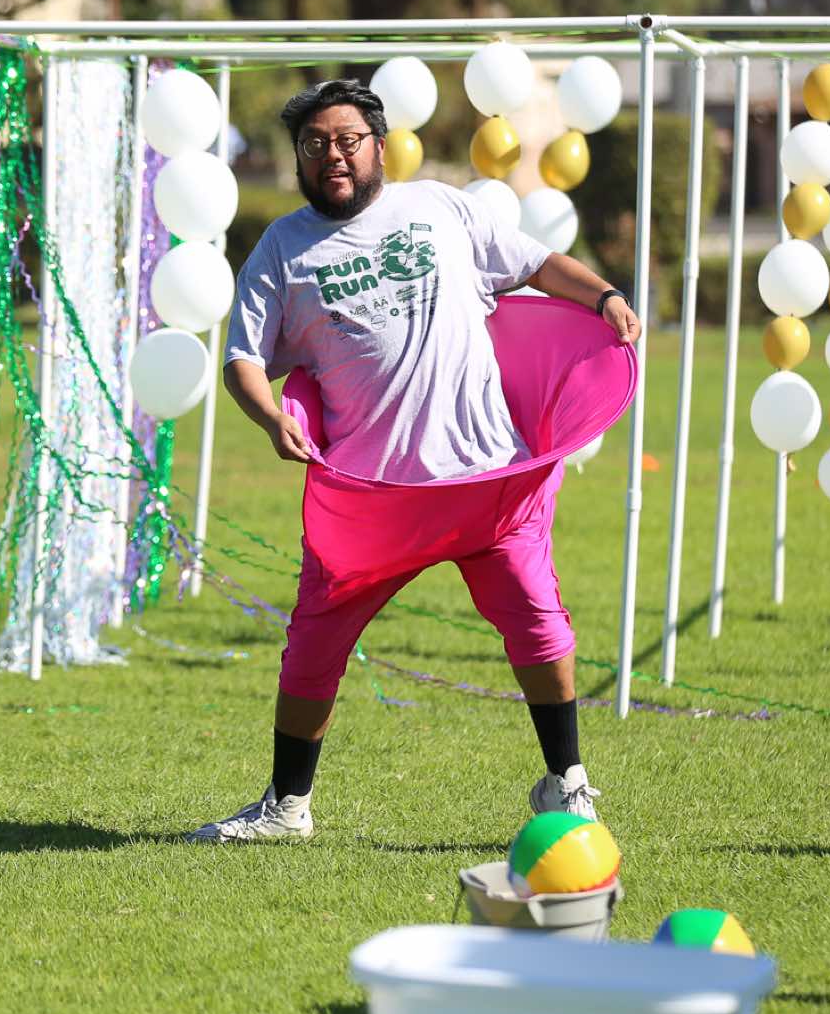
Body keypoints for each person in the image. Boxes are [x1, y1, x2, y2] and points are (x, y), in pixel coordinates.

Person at [189, 78, 640, 844]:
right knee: (312, 648)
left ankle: (566, 784)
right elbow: (243, 360)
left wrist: (604, 297)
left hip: (488, 480)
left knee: (540, 626)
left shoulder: (439, 207)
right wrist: (270, 417)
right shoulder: (282, 250)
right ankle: (287, 806)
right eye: (314, 144)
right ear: (299, 157)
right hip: (374, 502)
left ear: (378, 145)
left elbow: (536, 263)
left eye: (347, 140)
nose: (332, 155)